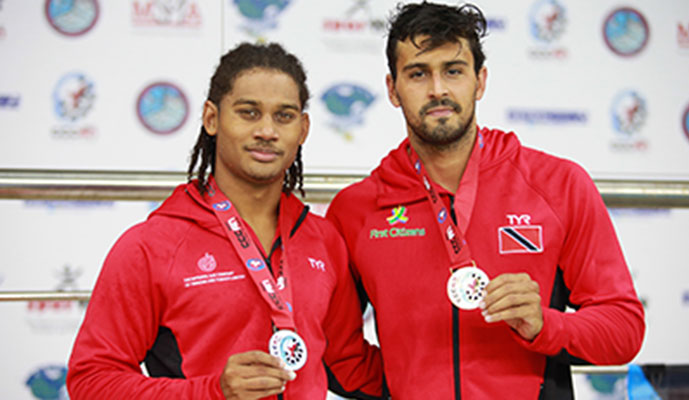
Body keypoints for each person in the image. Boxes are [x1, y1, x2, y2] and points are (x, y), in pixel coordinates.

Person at [326, 2, 646, 399]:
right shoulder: (356, 210)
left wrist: (546, 325)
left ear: (480, 81)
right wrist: (403, 385)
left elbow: (624, 330)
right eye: (418, 74)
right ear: (392, 89)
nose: (438, 89)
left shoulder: (559, 186)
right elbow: (334, 350)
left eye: (453, 71)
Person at [67, 42, 384, 400]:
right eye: (249, 113)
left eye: (284, 115)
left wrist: (448, 362)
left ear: (303, 128)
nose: (267, 131)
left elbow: (347, 366)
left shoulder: (323, 239)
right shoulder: (151, 246)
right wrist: (212, 392)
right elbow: (91, 381)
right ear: (211, 118)